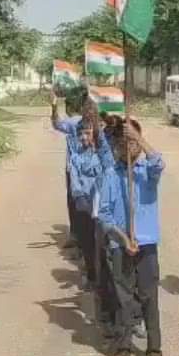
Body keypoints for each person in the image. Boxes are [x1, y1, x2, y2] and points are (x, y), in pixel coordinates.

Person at [97, 118, 166, 356]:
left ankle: (155, 350)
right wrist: (123, 239)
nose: (129, 145)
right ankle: (123, 348)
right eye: (123, 141)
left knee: (149, 298)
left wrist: (139, 138)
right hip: (121, 246)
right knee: (123, 300)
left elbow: (159, 162)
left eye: (132, 140)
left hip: (146, 245)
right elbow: (103, 214)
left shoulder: (147, 171)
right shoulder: (111, 174)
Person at [68, 118, 112, 291]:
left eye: (87, 133)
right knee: (87, 242)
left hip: (103, 205)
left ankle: (105, 278)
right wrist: (80, 198)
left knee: (104, 243)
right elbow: (75, 182)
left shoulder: (103, 154)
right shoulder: (77, 157)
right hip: (85, 204)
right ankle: (92, 275)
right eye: (81, 134)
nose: (84, 137)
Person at [51, 90, 97, 250]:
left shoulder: (79, 122)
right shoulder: (80, 122)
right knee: (80, 202)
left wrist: (53, 105)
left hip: (83, 169)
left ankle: (81, 237)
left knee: (80, 203)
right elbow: (57, 124)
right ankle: (81, 237)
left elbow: (56, 123)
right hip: (79, 168)